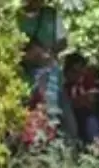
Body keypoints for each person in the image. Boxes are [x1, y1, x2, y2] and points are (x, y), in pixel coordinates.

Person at [19, 0, 69, 132]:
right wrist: (26, 55)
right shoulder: (15, 17)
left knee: (56, 115)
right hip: (23, 77)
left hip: (50, 74)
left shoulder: (51, 15)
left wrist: (49, 52)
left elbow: (63, 41)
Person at [65, 53, 99, 146]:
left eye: (81, 71)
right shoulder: (64, 86)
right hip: (71, 119)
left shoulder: (87, 81)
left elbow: (93, 99)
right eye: (74, 71)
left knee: (92, 122)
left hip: (89, 118)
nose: (78, 75)